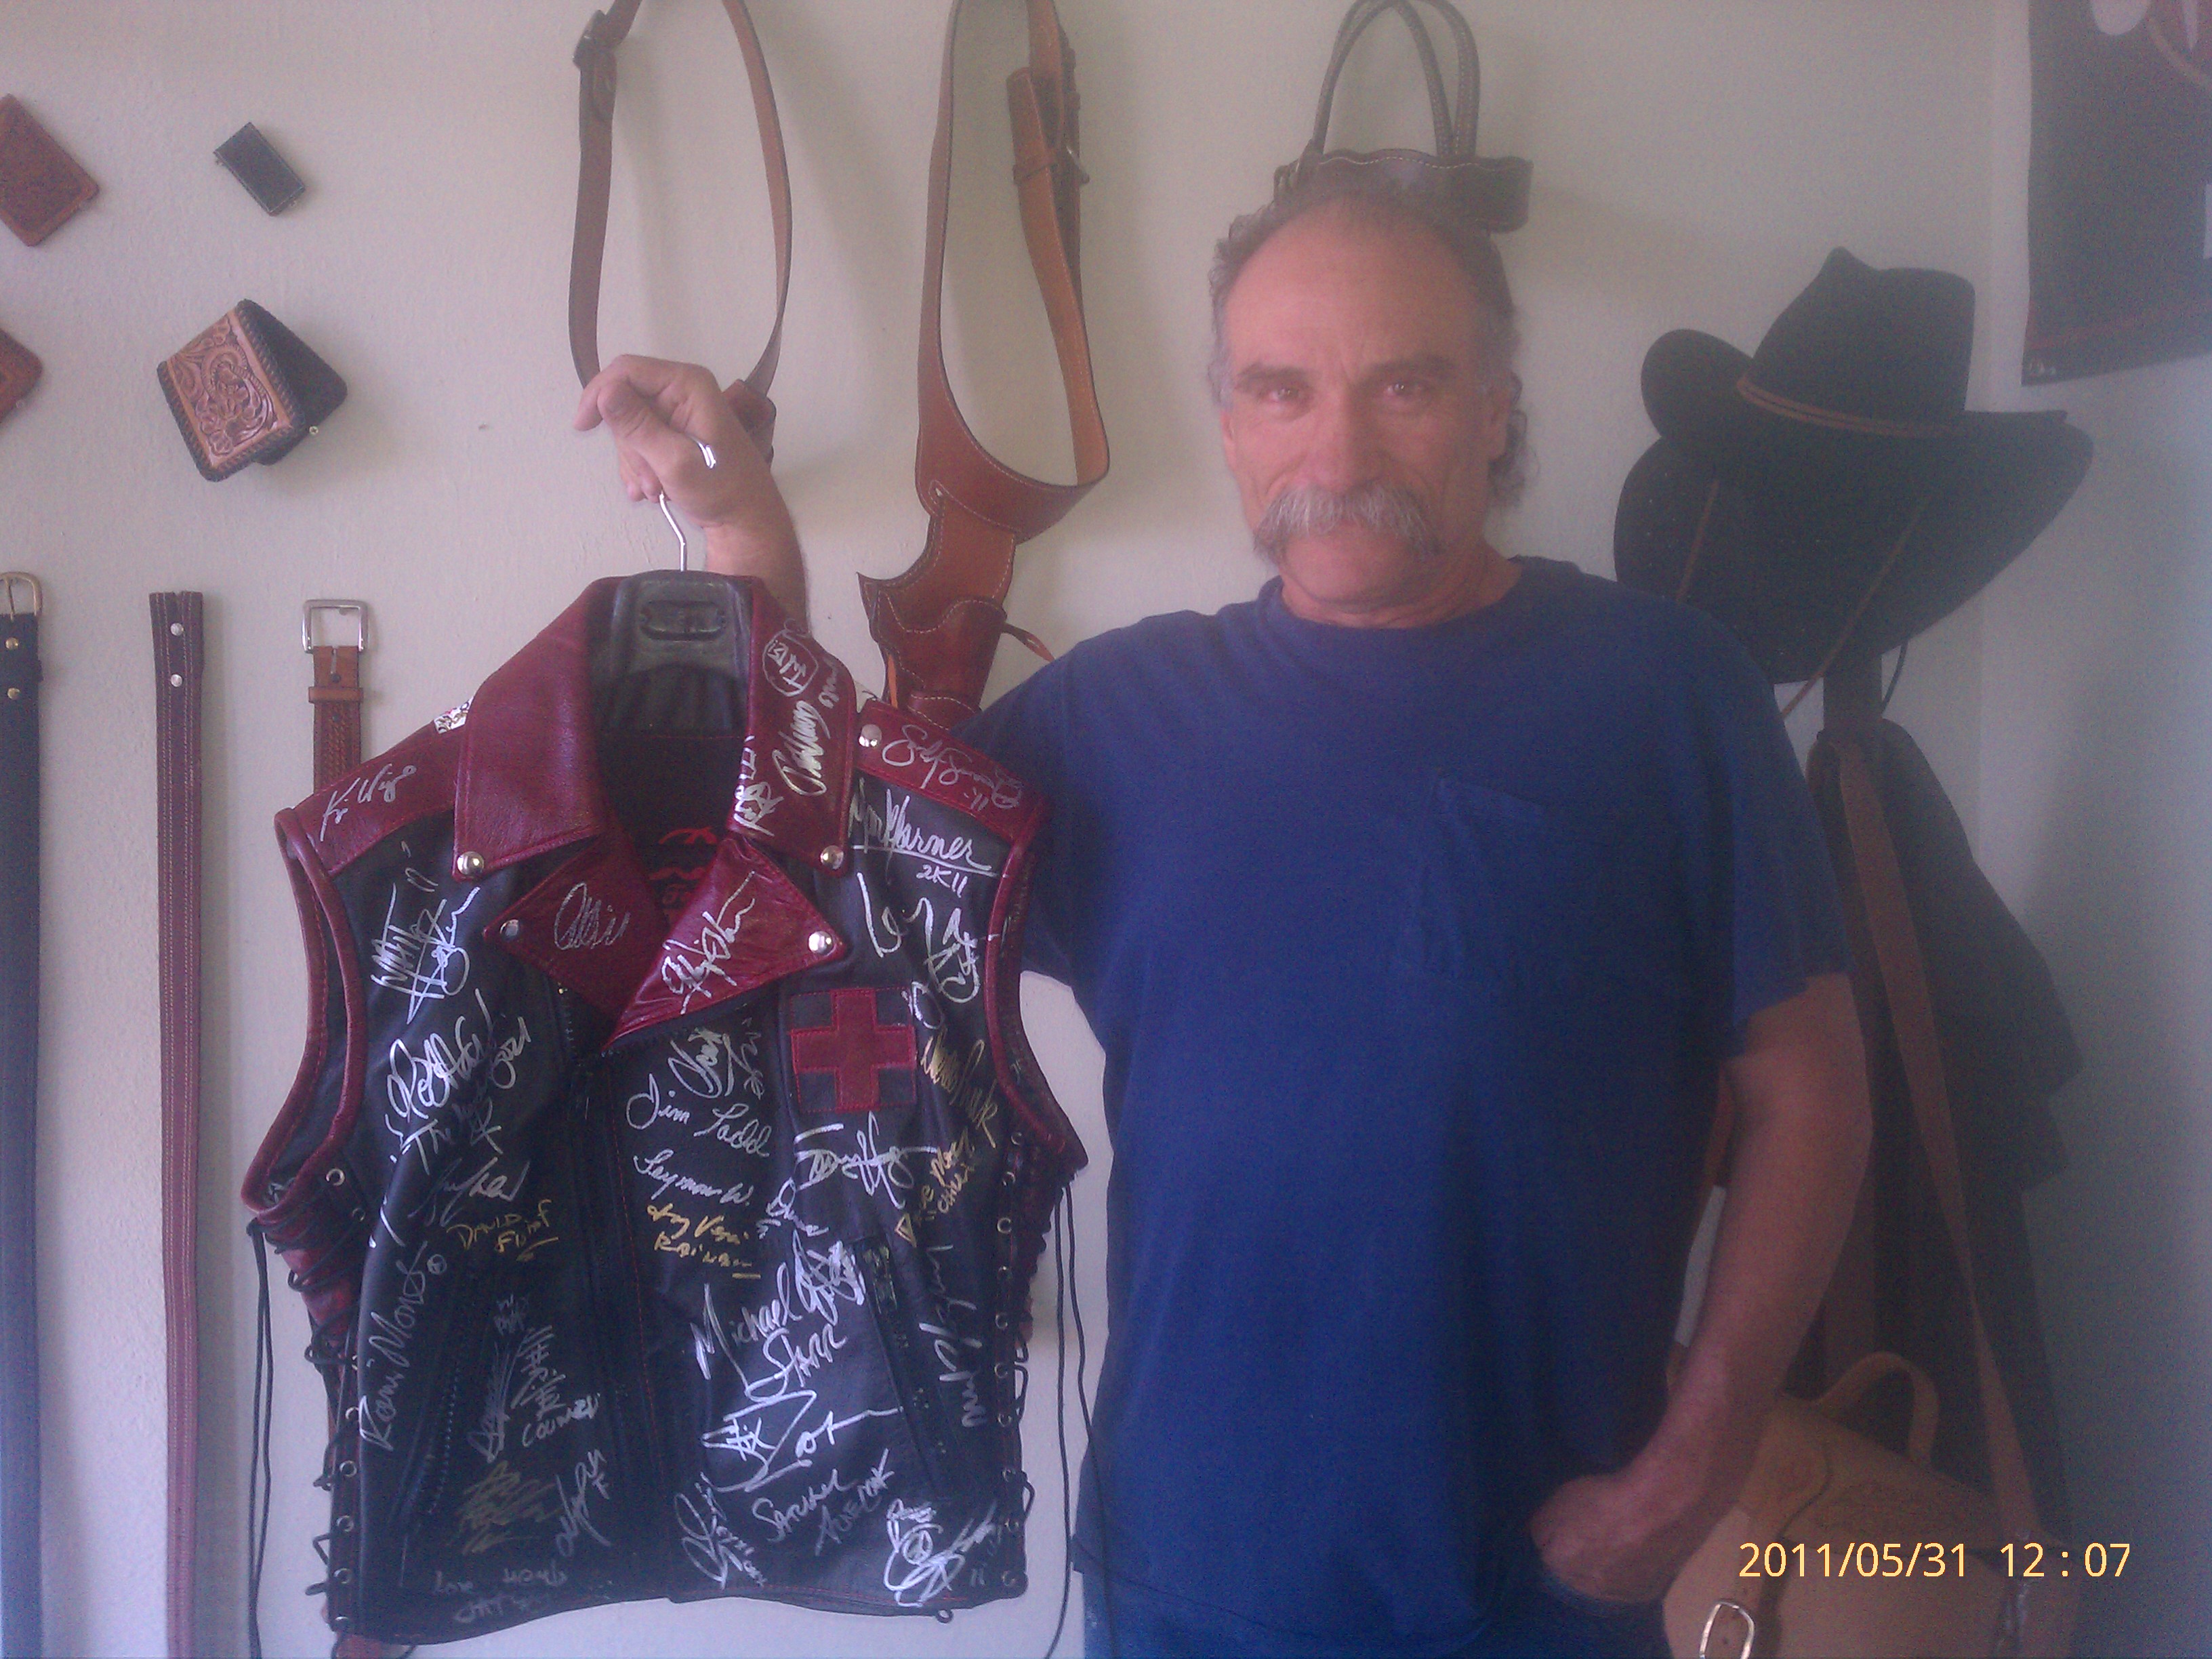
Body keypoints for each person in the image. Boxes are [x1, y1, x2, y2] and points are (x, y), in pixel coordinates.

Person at [574, 171, 1870, 1659]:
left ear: (1496, 412)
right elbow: (814, 861)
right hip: (1197, 1573)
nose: (1340, 450)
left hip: (1543, 1577)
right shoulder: (1113, 719)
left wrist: (1698, 1463)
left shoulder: (1667, 697)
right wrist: (745, 530)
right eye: (1281, 389)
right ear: (1232, 425)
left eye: (1404, 385)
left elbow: (1812, 1095)